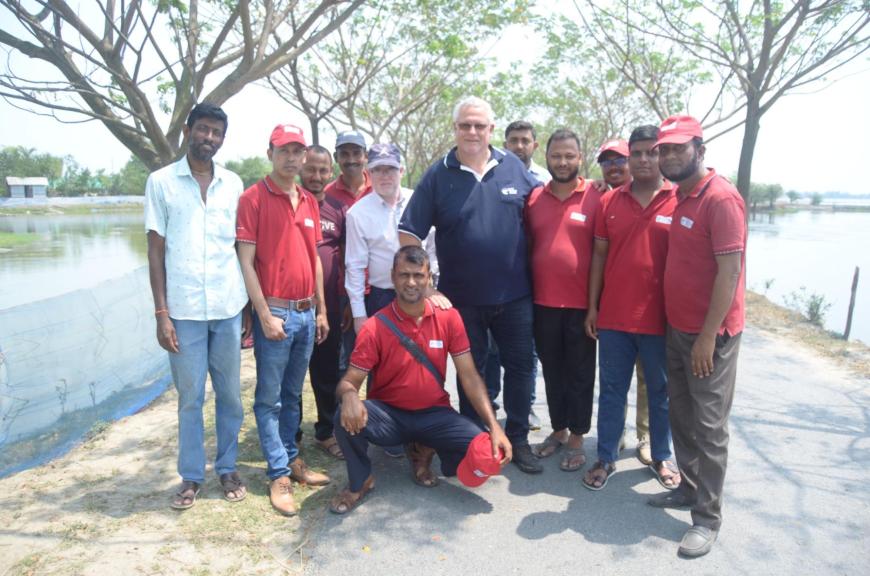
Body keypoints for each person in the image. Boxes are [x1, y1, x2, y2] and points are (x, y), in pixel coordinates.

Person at [399, 96, 542, 474]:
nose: (473, 132)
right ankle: (474, 442)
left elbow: (542, 219)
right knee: (471, 373)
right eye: (465, 125)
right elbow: (408, 234)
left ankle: (519, 439)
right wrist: (428, 289)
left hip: (516, 296)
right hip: (461, 300)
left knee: (521, 369)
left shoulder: (513, 168)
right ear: (456, 129)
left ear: (492, 129)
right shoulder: (438, 174)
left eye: (480, 125)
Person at [329, 246, 512, 514]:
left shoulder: (449, 318)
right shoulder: (375, 327)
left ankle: (423, 451)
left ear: (429, 279)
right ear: (393, 277)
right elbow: (349, 381)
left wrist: (494, 426)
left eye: (418, 275)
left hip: (435, 415)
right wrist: (349, 397)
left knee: (487, 452)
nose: (411, 282)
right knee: (342, 418)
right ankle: (361, 480)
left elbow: (470, 376)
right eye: (404, 275)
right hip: (391, 417)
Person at [648, 115, 746, 558]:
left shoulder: (720, 198)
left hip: (712, 335)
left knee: (709, 427)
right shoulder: (679, 198)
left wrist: (708, 336)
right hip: (678, 328)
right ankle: (688, 489)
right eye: (664, 150)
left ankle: (707, 518)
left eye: (678, 149)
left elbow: (730, 272)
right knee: (681, 416)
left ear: (699, 150)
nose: (669, 156)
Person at [145, 102, 248, 510]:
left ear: (222, 138)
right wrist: (161, 313)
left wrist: (248, 310)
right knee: (190, 398)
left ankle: (227, 466)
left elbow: (242, 249)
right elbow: (155, 251)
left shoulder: (234, 184)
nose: (209, 138)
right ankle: (191, 476)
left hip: (227, 307)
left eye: (216, 133)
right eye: (203, 130)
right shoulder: (161, 182)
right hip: (183, 311)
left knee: (230, 396)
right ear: (188, 131)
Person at [236, 124, 331, 517]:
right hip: (274, 313)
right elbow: (246, 261)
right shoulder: (253, 198)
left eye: (298, 150)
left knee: (293, 395)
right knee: (269, 399)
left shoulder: (308, 199)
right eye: (284, 150)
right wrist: (263, 314)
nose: (292, 157)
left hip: (307, 312)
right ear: (270, 153)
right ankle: (277, 472)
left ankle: (293, 459)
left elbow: (313, 260)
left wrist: (322, 309)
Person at [582, 125, 680, 492]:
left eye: (650, 152)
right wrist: (592, 307)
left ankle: (661, 455)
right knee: (611, 390)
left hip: (661, 320)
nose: (642, 159)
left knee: (660, 391)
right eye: (635, 153)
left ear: (662, 155)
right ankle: (605, 456)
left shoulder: (678, 199)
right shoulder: (609, 202)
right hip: (614, 319)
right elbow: (598, 258)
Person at [525, 129, 602, 472]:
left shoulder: (597, 197)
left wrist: (596, 306)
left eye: (569, 155)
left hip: (582, 306)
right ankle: (557, 430)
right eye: (556, 155)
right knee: (552, 371)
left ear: (580, 158)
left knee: (581, 373)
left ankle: (577, 436)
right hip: (542, 303)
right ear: (547, 158)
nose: (562, 161)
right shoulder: (533, 199)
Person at [598, 138, 652, 462]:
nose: (614, 167)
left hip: (652, 311)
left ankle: (646, 436)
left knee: (650, 382)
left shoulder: (662, 195)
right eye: (606, 161)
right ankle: (614, 435)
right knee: (613, 383)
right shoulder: (600, 199)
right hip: (614, 310)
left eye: (619, 159)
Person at [301, 144, 346, 459]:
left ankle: (327, 431)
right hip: (291, 306)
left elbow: (346, 258)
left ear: (331, 172)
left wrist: (343, 303)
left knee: (327, 371)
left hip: (328, 307)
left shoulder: (338, 209)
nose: (316, 176)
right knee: (289, 377)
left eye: (322, 170)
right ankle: (288, 438)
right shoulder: (288, 202)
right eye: (311, 169)